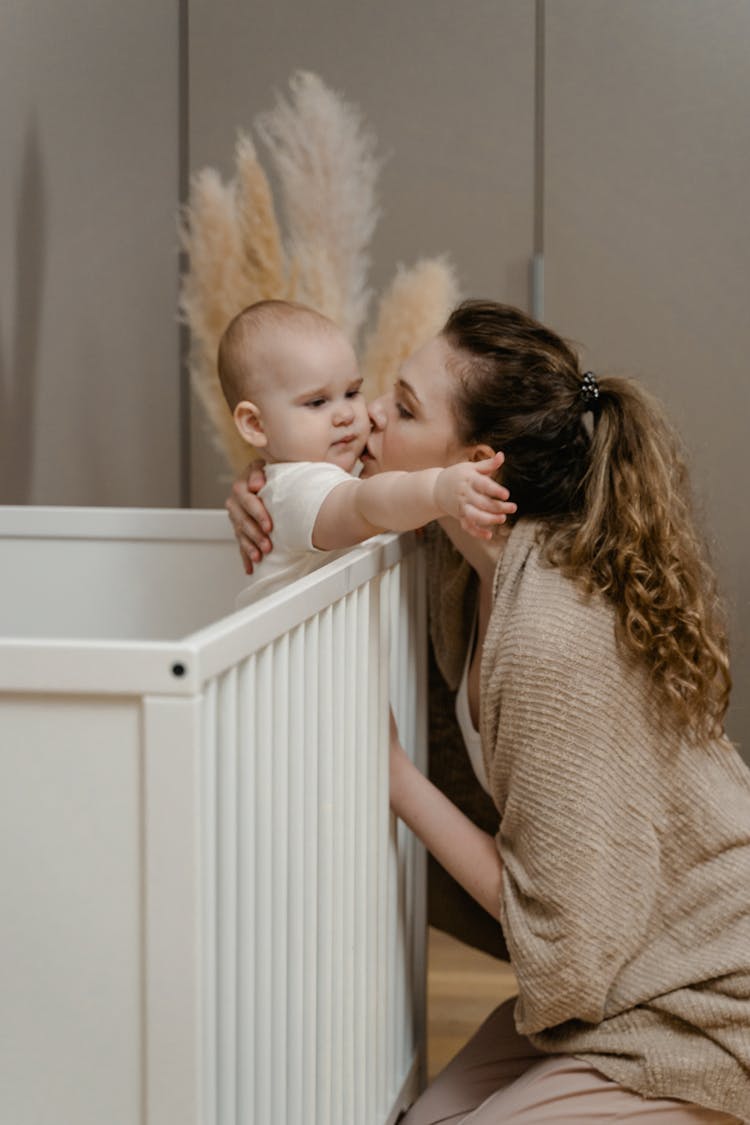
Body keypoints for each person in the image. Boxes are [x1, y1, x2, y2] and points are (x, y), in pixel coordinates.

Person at [226, 300, 750, 1122]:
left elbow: (564, 936)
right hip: (614, 980)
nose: (365, 417)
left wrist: (392, 776)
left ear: (476, 463)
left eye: (399, 407)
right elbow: (343, 506)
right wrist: (272, 487)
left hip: (705, 995)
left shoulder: (552, 632)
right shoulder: (454, 557)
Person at [217, 299, 513, 606]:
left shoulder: (342, 475)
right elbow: (364, 503)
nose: (347, 414)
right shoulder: (293, 491)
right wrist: (436, 490)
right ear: (254, 424)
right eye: (317, 402)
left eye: (351, 392)